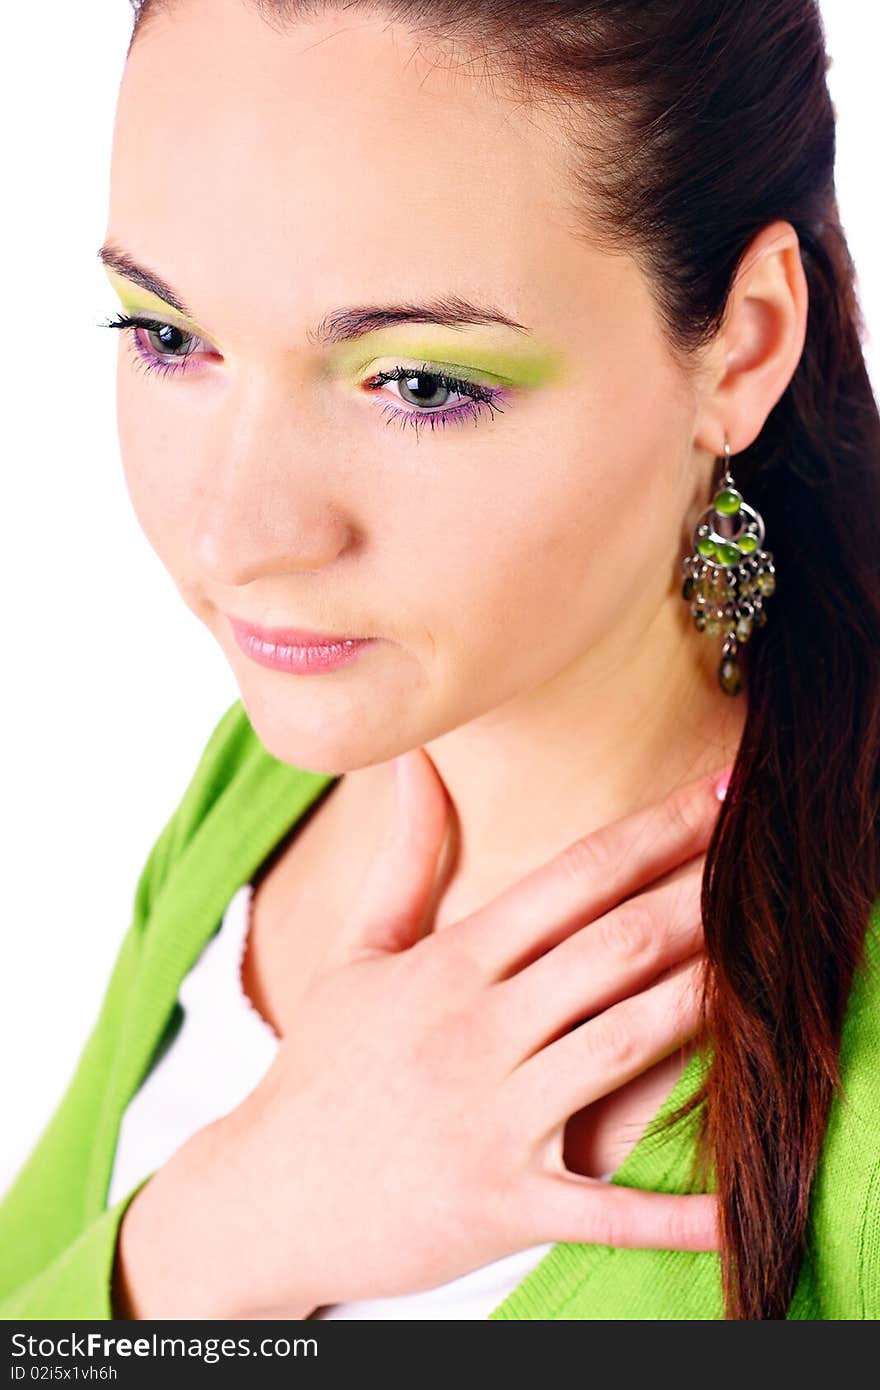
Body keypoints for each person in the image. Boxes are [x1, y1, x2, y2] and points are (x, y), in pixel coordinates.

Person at [1, 0, 878, 1322]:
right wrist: (219, 1236)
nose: (238, 536)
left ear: (741, 343)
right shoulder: (271, 782)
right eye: (168, 337)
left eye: (418, 382)